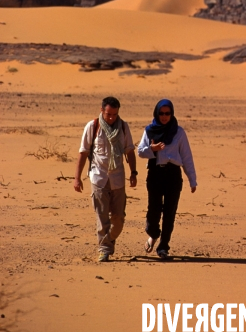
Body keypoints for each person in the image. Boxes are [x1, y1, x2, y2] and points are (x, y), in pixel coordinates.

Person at [73, 96, 137, 262]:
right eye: (108, 114)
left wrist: (134, 173)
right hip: (98, 177)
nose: (111, 118)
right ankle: (104, 250)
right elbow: (83, 152)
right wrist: (77, 178)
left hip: (118, 178)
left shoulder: (123, 127)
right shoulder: (92, 126)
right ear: (102, 110)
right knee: (102, 217)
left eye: (114, 114)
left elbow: (129, 150)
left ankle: (109, 240)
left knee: (119, 219)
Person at [137, 99, 197, 260]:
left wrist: (192, 179)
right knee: (154, 210)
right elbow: (140, 151)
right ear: (157, 113)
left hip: (173, 174)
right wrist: (152, 149)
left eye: (167, 113)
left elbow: (186, 157)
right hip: (155, 174)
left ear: (172, 114)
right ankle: (154, 233)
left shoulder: (179, 132)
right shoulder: (149, 130)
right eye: (161, 113)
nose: (164, 117)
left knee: (170, 212)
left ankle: (163, 247)